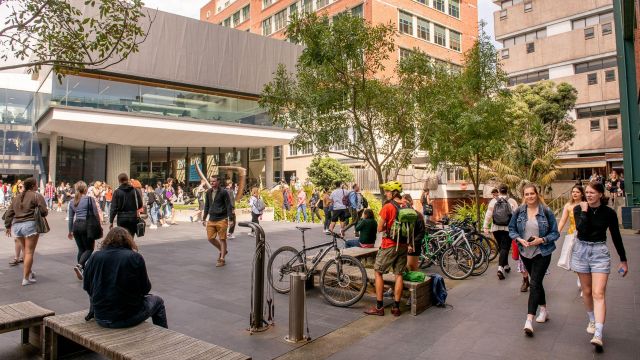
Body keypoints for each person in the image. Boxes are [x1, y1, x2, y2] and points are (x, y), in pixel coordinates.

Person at [572, 181, 628, 351]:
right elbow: (581, 230)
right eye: (586, 192)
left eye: (592, 193)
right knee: (586, 291)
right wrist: (584, 211)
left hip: (599, 253)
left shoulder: (609, 213)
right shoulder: (578, 209)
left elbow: (616, 236)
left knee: (598, 292)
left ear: (600, 195)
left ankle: (598, 333)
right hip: (581, 250)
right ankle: (592, 318)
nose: (588, 195)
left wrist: (623, 260)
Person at [83, 227, 167, 329]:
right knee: (158, 302)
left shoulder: (95, 256)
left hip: (101, 316)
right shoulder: (134, 257)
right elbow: (145, 288)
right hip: (126, 317)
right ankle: (163, 336)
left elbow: (87, 285)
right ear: (128, 240)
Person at [508, 183, 559, 337]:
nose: (529, 196)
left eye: (532, 193)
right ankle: (543, 309)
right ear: (524, 196)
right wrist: (518, 239)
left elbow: (555, 233)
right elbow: (511, 229)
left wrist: (542, 240)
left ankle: (529, 320)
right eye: (526, 194)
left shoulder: (546, 211)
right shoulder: (519, 212)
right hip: (525, 252)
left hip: (542, 253)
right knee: (537, 282)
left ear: (537, 194)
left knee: (534, 283)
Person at [364, 181, 408, 317]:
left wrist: (385, 227)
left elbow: (379, 228)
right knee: (399, 274)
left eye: (388, 191)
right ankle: (396, 307)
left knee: (378, 271)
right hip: (403, 245)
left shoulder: (388, 207)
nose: (386, 193)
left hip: (389, 244)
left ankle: (379, 307)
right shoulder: (406, 205)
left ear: (394, 192)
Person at [3, 177, 47, 286]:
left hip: (17, 227)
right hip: (30, 226)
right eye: (37, 184)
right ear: (33, 186)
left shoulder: (17, 197)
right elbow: (44, 212)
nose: (37, 186)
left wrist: (8, 226)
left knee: (25, 251)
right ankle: (26, 278)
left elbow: (9, 213)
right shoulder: (37, 195)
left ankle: (29, 273)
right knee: (29, 253)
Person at [483, 184, 519, 281]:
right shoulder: (512, 201)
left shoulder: (494, 201)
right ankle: (500, 269)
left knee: (502, 248)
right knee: (505, 248)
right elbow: (516, 215)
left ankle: (506, 265)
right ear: (507, 191)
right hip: (508, 229)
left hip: (496, 228)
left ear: (499, 191)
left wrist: (485, 226)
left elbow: (488, 214)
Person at [68, 181, 102, 280]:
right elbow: (95, 214)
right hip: (87, 225)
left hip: (76, 226)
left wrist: (70, 231)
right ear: (85, 189)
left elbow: (70, 218)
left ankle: (82, 270)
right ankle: (80, 266)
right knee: (89, 249)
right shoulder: (89, 199)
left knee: (81, 249)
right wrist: (98, 226)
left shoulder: (72, 201)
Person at [557, 185, 586, 293]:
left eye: (577, 192)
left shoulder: (586, 205)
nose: (574, 194)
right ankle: (581, 279)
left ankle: (583, 283)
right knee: (574, 259)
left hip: (583, 235)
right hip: (572, 235)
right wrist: (556, 233)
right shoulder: (568, 205)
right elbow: (562, 221)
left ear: (582, 194)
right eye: (573, 192)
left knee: (582, 258)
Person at [202, 176, 232, 267]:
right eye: (211, 181)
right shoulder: (208, 192)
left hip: (222, 219)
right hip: (211, 219)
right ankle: (224, 251)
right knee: (210, 238)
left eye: (214, 181)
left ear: (218, 181)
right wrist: (204, 218)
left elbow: (228, 206)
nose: (212, 183)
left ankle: (222, 259)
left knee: (222, 239)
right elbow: (206, 205)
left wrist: (230, 218)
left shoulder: (224, 192)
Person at [109, 173, 143, 245]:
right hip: (133, 217)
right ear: (127, 180)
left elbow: (113, 208)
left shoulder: (117, 192)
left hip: (122, 218)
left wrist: (111, 221)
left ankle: (123, 252)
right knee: (130, 238)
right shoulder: (134, 190)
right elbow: (140, 204)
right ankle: (130, 251)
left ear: (119, 181)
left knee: (122, 237)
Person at [403, 194, 425, 272]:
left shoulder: (417, 215)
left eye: (405, 202)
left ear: (410, 202)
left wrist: (411, 245)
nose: (403, 205)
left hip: (413, 248)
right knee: (403, 272)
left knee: (412, 270)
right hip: (403, 247)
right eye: (402, 203)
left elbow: (422, 232)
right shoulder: (401, 216)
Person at [8, 182, 24, 267]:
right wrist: (8, 225)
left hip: (27, 222)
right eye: (19, 187)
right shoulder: (16, 198)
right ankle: (17, 258)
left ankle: (24, 257)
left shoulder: (32, 197)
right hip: (17, 221)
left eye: (21, 187)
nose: (20, 189)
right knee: (17, 239)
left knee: (25, 240)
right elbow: (10, 212)